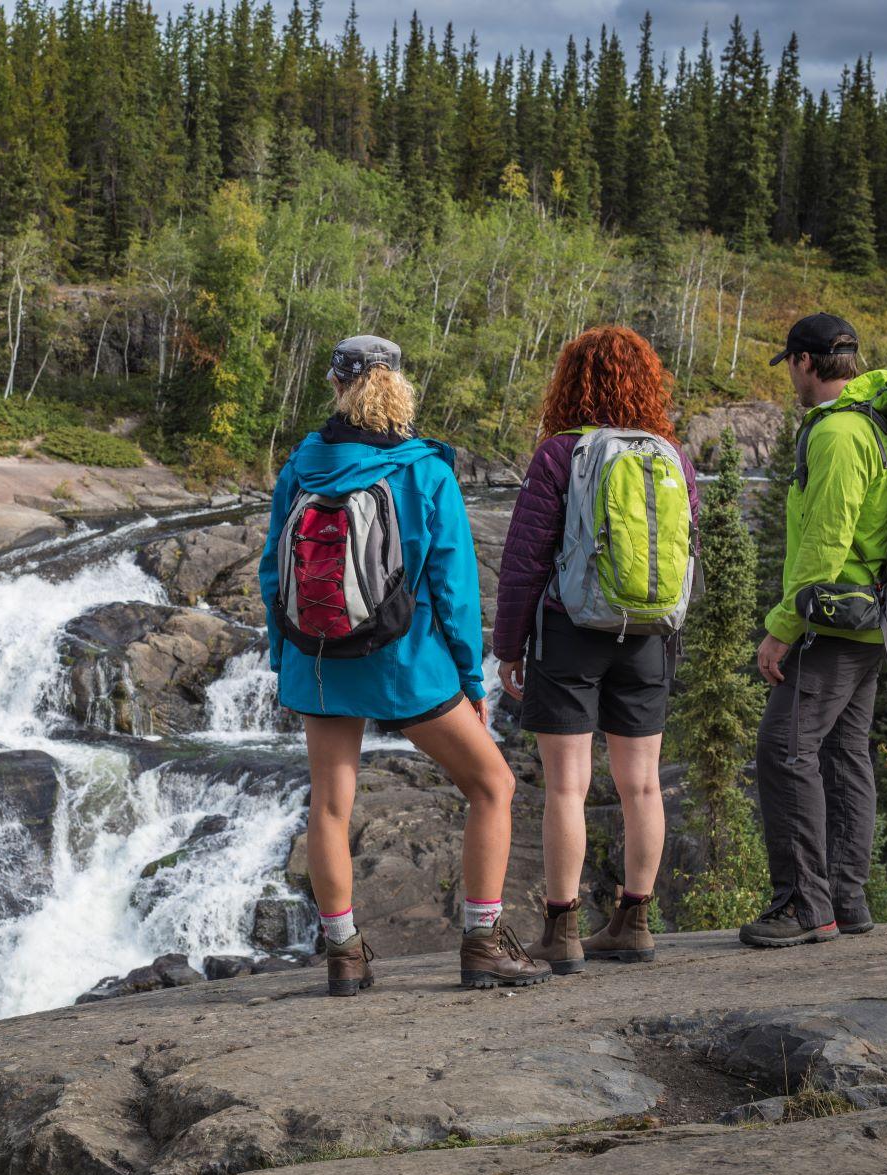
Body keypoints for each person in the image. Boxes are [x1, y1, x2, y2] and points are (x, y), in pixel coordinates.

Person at [259, 335, 547, 996]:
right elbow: (453, 587)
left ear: (336, 384)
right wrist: (470, 681)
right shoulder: (425, 471)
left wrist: (286, 662)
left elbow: (271, 572)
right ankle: (480, 943)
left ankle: (344, 954)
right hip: (406, 664)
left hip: (320, 661)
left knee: (331, 806)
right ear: (398, 388)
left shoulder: (301, 466)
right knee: (492, 786)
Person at [494, 325, 700, 974]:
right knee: (642, 786)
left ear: (570, 384)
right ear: (646, 384)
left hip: (570, 631)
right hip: (649, 636)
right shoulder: (672, 455)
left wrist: (507, 646)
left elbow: (525, 560)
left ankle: (563, 931)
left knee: (566, 787)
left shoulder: (560, 454)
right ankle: (632, 920)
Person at [739, 314, 887, 948]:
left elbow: (827, 540)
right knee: (844, 754)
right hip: (870, 623)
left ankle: (806, 907)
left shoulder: (837, 435)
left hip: (833, 623)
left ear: (806, 362)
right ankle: (849, 901)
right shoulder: (873, 422)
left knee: (785, 748)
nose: (793, 381)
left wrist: (781, 627)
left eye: (792, 367)